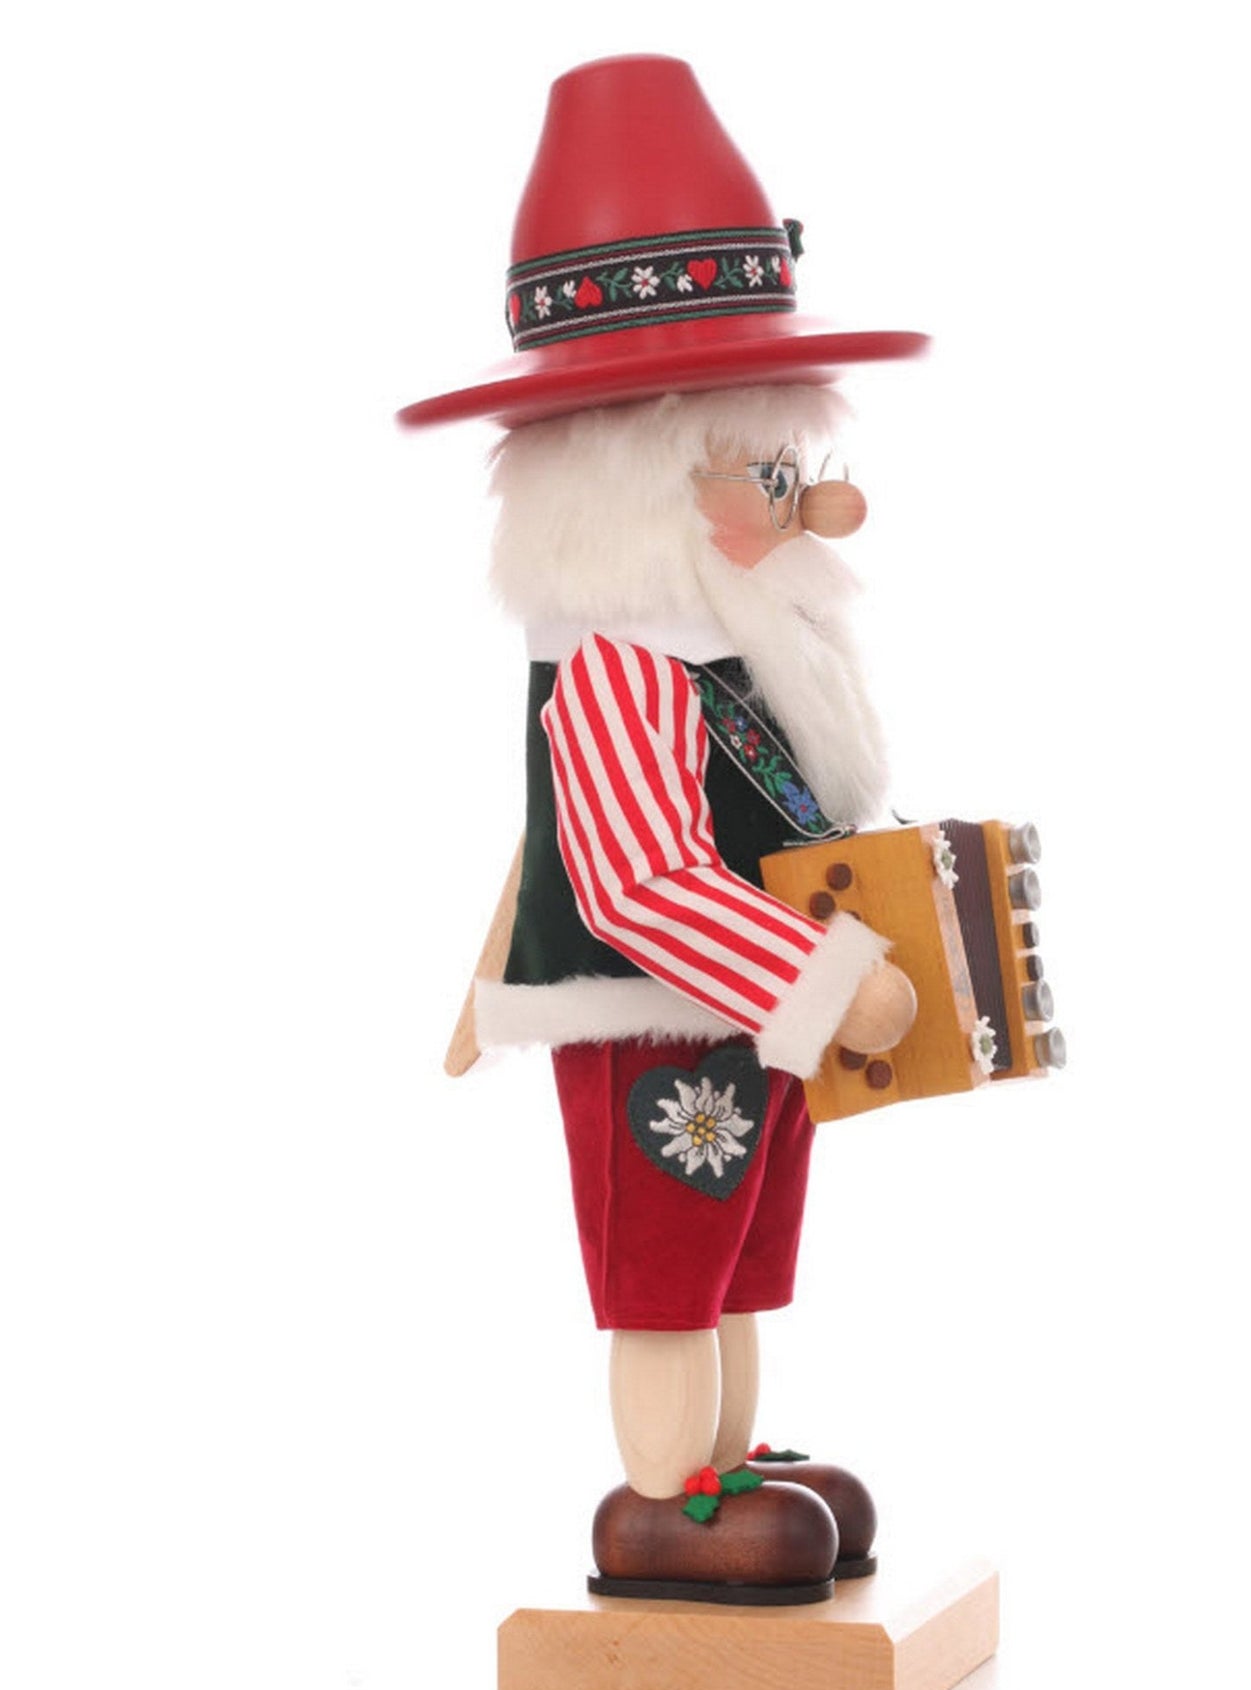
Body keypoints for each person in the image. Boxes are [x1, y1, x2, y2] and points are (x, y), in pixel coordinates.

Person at [399, 54, 929, 1604]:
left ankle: (721, 1468)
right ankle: (658, 1498)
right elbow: (636, 879)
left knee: (740, 1252)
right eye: (769, 472)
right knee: (669, 1262)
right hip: (662, 1017)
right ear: (644, 484)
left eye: (793, 464)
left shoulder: (724, 647)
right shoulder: (622, 662)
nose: (807, 504)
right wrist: (829, 979)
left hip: (749, 1012)